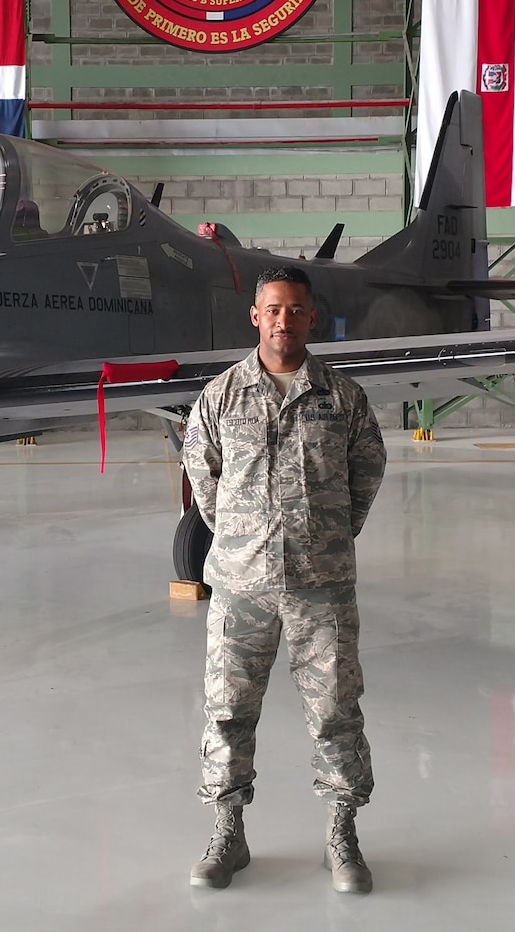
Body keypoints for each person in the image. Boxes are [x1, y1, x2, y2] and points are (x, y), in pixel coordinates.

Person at [180, 265, 388, 894]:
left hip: (320, 586)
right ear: (255, 316)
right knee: (228, 710)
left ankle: (342, 834)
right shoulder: (220, 396)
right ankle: (228, 832)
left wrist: (323, 537)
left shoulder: (343, 397)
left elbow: (366, 474)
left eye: (296, 310)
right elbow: (205, 483)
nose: (284, 321)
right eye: (273, 310)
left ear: (311, 318)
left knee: (335, 712)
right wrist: (247, 540)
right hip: (241, 586)